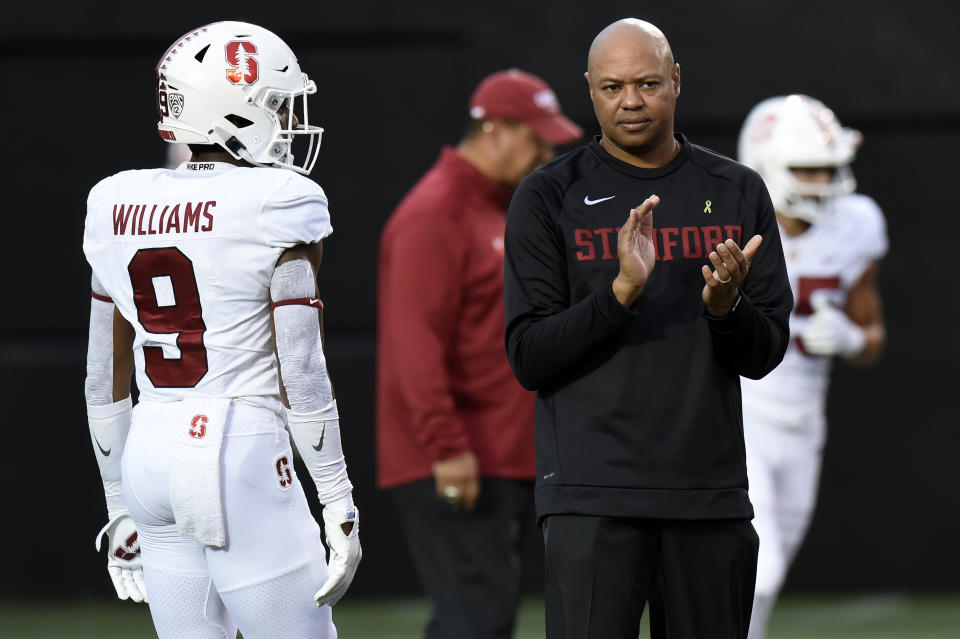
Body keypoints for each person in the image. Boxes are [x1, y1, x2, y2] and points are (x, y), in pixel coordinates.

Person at [503, 18, 795, 639]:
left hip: (707, 496)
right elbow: (529, 356)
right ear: (589, 90)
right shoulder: (547, 195)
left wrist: (724, 307)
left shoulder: (737, 189)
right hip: (590, 499)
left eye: (646, 83)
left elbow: (766, 351)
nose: (630, 101)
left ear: (676, 82)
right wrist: (618, 294)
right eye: (611, 87)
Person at [83, 21, 361, 639]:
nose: (290, 123)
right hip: (239, 447)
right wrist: (337, 497)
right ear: (230, 108)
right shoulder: (279, 200)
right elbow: (301, 365)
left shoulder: (112, 201)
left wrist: (118, 505)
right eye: (275, 104)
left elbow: (104, 374)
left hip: (148, 453)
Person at [376, 69, 581, 638]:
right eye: (535, 137)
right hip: (459, 455)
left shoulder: (496, 208)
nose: (545, 151)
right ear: (493, 129)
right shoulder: (434, 213)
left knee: (478, 621)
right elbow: (413, 347)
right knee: (477, 623)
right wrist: (446, 447)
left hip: (500, 453)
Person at [736, 95, 888, 639]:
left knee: (766, 574)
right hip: (740, 409)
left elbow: (873, 337)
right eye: (806, 168)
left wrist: (850, 339)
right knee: (758, 569)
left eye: (827, 166)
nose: (822, 180)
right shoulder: (729, 226)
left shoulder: (857, 224)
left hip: (804, 420)